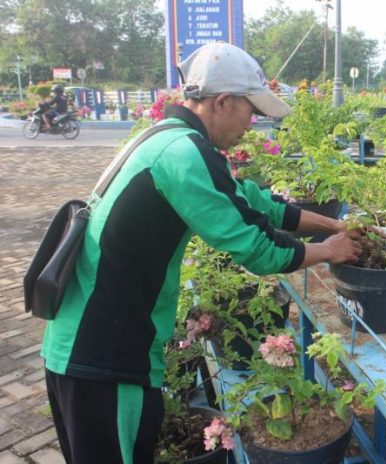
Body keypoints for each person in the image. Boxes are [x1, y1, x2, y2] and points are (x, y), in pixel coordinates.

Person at [40, 42, 363, 464]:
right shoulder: (184, 155)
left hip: (88, 346)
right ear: (223, 102)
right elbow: (257, 248)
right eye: (252, 110)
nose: (253, 124)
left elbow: (252, 201)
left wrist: (333, 224)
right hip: (104, 356)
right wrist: (328, 251)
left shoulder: (169, 139)